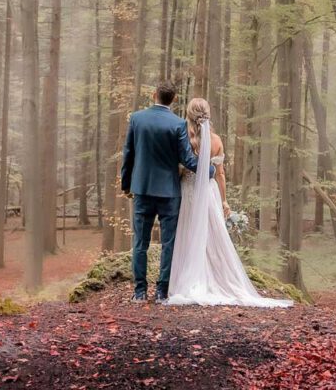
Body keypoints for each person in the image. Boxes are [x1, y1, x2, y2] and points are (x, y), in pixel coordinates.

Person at [165, 97, 292, 308]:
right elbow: (220, 174)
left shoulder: (181, 138)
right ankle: (216, 276)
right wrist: (224, 200)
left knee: (188, 232)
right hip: (208, 191)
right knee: (211, 234)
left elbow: (178, 167)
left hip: (187, 190)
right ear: (207, 115)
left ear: (188, 115)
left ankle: (187, 278)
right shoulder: (215, 140)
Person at [119, 80, 210, 303]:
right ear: (174, 99)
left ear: (154, 95)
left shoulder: (137, 119)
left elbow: (128, 153)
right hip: (170, 192)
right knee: (169, 242)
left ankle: (139, 291)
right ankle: (161, 291)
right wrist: (210, 168)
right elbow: (187, 159)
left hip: (142, 188)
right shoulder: (178, 124)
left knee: (140, 242)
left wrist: (126, 184)